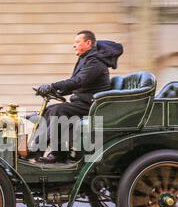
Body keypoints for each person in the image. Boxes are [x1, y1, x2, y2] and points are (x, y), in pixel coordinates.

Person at [34, 30, 123, 163]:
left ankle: (51, 153)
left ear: (88, 43)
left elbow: (78, 81)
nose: (73, 45)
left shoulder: (95, 62)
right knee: (50, 110)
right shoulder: (86, 59)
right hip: (84, 101)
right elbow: (76, 85)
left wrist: (52, 86)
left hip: (92, 105)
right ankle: (43, 151)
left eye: (77, 42)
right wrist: (53, 91)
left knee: (58, 111)